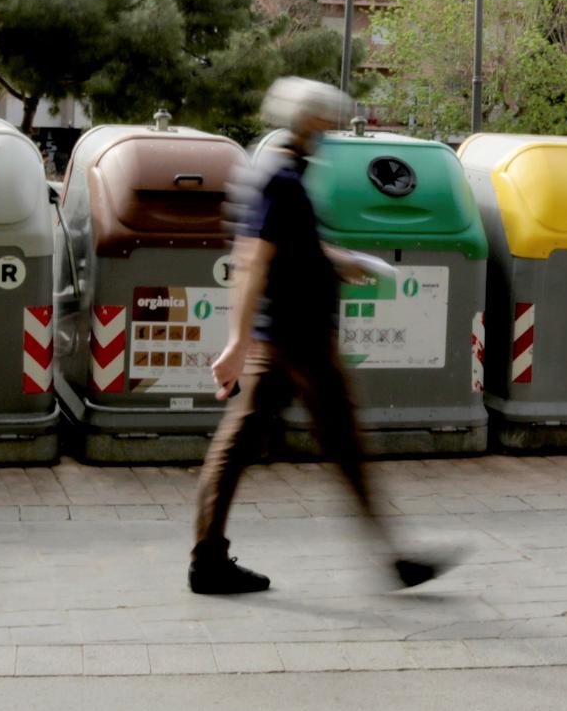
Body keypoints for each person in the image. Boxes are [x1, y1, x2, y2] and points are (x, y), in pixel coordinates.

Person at [189, 78, 454, 596]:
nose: (330, 134)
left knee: (239, 444)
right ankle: (393, 558)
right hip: (297, 338)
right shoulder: (281, 177)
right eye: (327, 124)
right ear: (309, 124)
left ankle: (208, 560)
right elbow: (251, 260)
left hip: (283, 335)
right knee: (344, 445)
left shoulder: (278, 171)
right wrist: (236, 344)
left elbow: (285, 244)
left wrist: (340, 261)